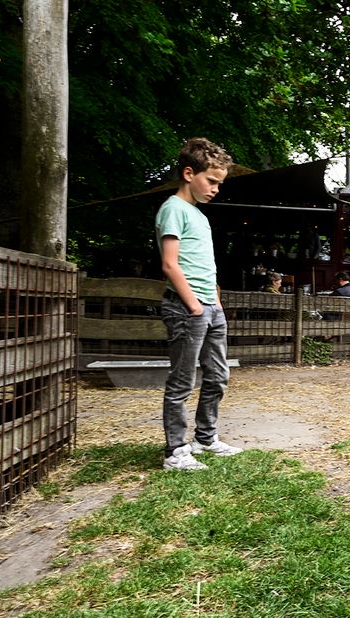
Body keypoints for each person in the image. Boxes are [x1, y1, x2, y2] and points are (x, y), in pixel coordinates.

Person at [155, 138, 243, 471]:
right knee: (181, 381)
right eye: (212, 181)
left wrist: (215, 304)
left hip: (210, 307)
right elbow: (170, 264)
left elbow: (206, 266)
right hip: (186, 308)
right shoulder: (173, 209)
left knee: (218, 375)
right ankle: (175, 451)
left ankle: (205, 437)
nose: (216, 189)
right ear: (189, 173)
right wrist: (193, 305)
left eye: (220, 183)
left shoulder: (198, 215)